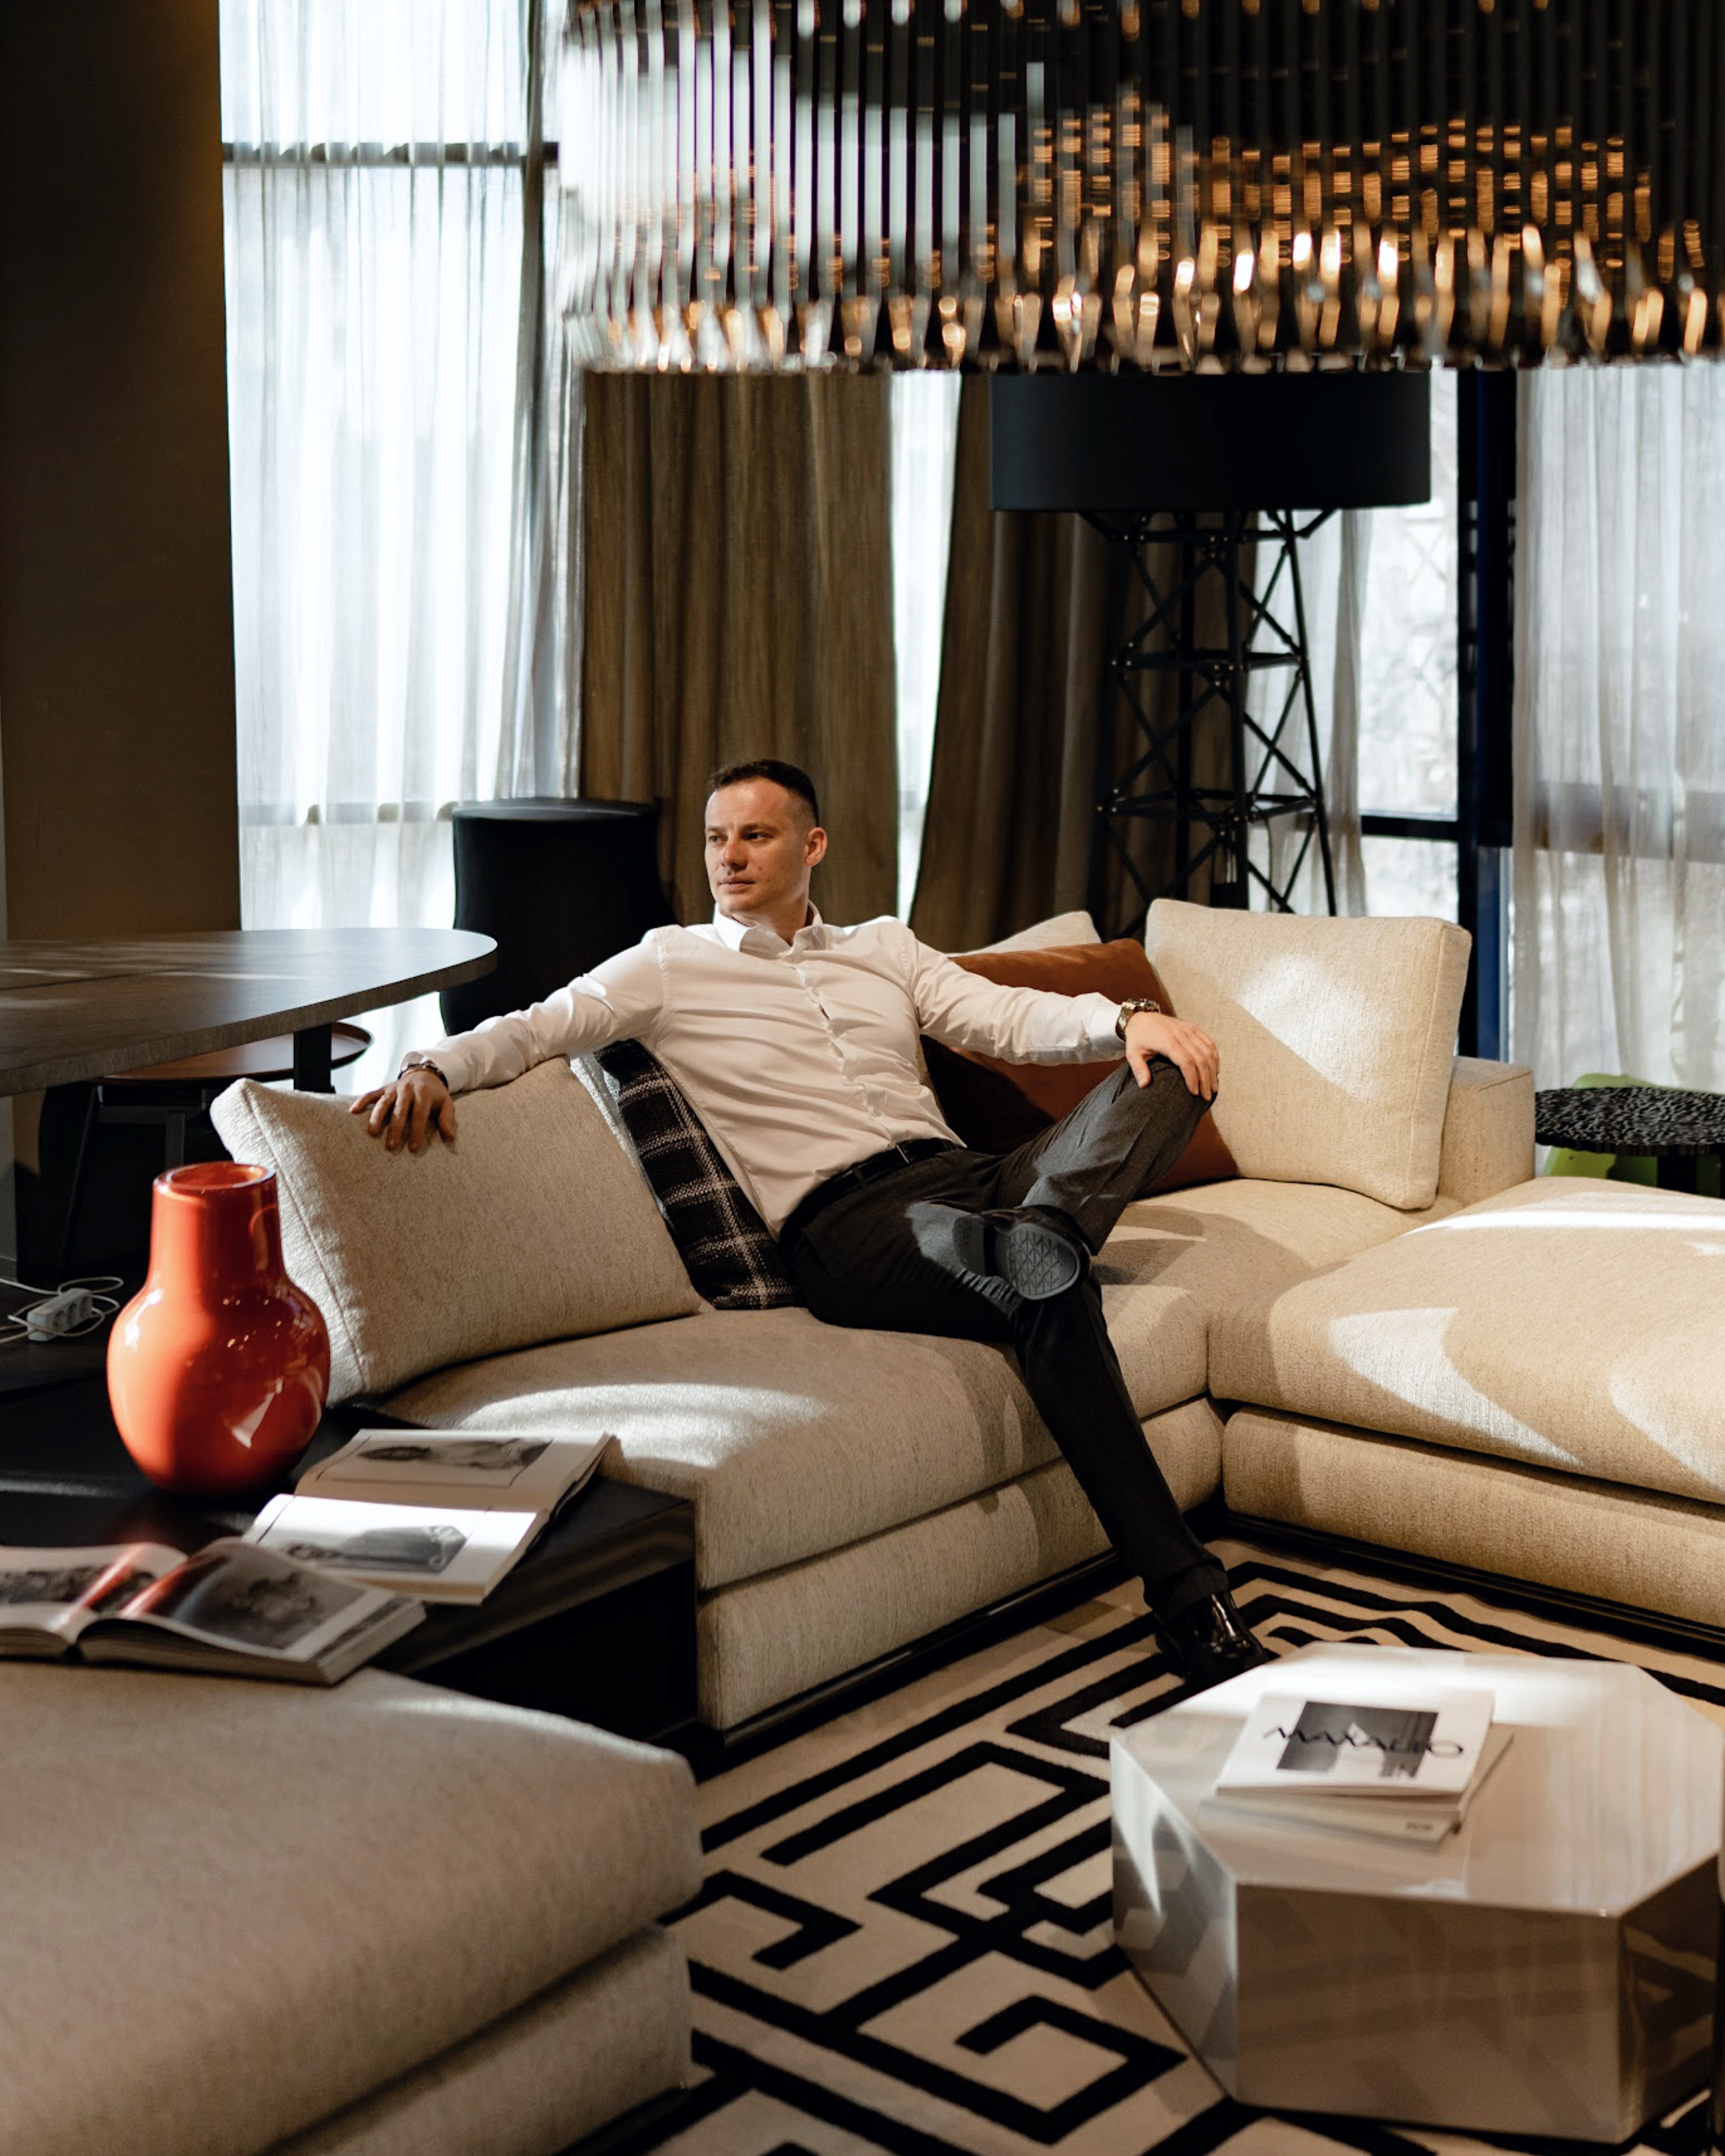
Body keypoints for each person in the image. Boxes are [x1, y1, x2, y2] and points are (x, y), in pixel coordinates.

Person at [353, 758, 1269, 1690]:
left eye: (755, 835)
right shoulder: (668, 963)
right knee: (1048, 1285)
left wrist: (1126, 1020)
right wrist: (432, 1065)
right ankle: (1188, 1595)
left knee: (1167, 1072)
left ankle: (1047, 1236)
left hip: (977, 1178)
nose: (730, 857)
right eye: (716, 838)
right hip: (854, 1222)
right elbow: (539, 1025)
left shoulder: (883, 946)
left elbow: (1001, 1017)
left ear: (813, 845)